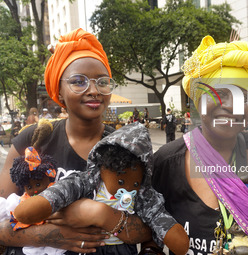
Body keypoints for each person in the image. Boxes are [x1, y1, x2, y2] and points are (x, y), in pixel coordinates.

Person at [0, 28, 153, 254]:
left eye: (102, 82)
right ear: (59, 92)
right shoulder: (33, 139)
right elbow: (2, 223)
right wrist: (50, 236)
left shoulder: (126, 147)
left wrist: (100, 214)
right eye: (78, 81)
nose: (93, 90)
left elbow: (151, 227)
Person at [152, 36, 248, 254]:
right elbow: (148, 228)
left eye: (243, 96)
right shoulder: (166, 162)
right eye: (219, 93)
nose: (230, 106)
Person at [14, 122, 189, 255]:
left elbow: (157, 216)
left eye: (135, 183)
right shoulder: (89, 180)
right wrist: (45, 203)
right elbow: (63, 191)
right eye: (120, 182)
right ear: (103, 167)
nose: (129, 189)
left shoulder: (144, 193)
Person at [0, 146, 65, 255]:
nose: (35, 190)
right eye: (29, 187)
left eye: (38, 184)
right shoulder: (21, 199)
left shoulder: (55, 191)